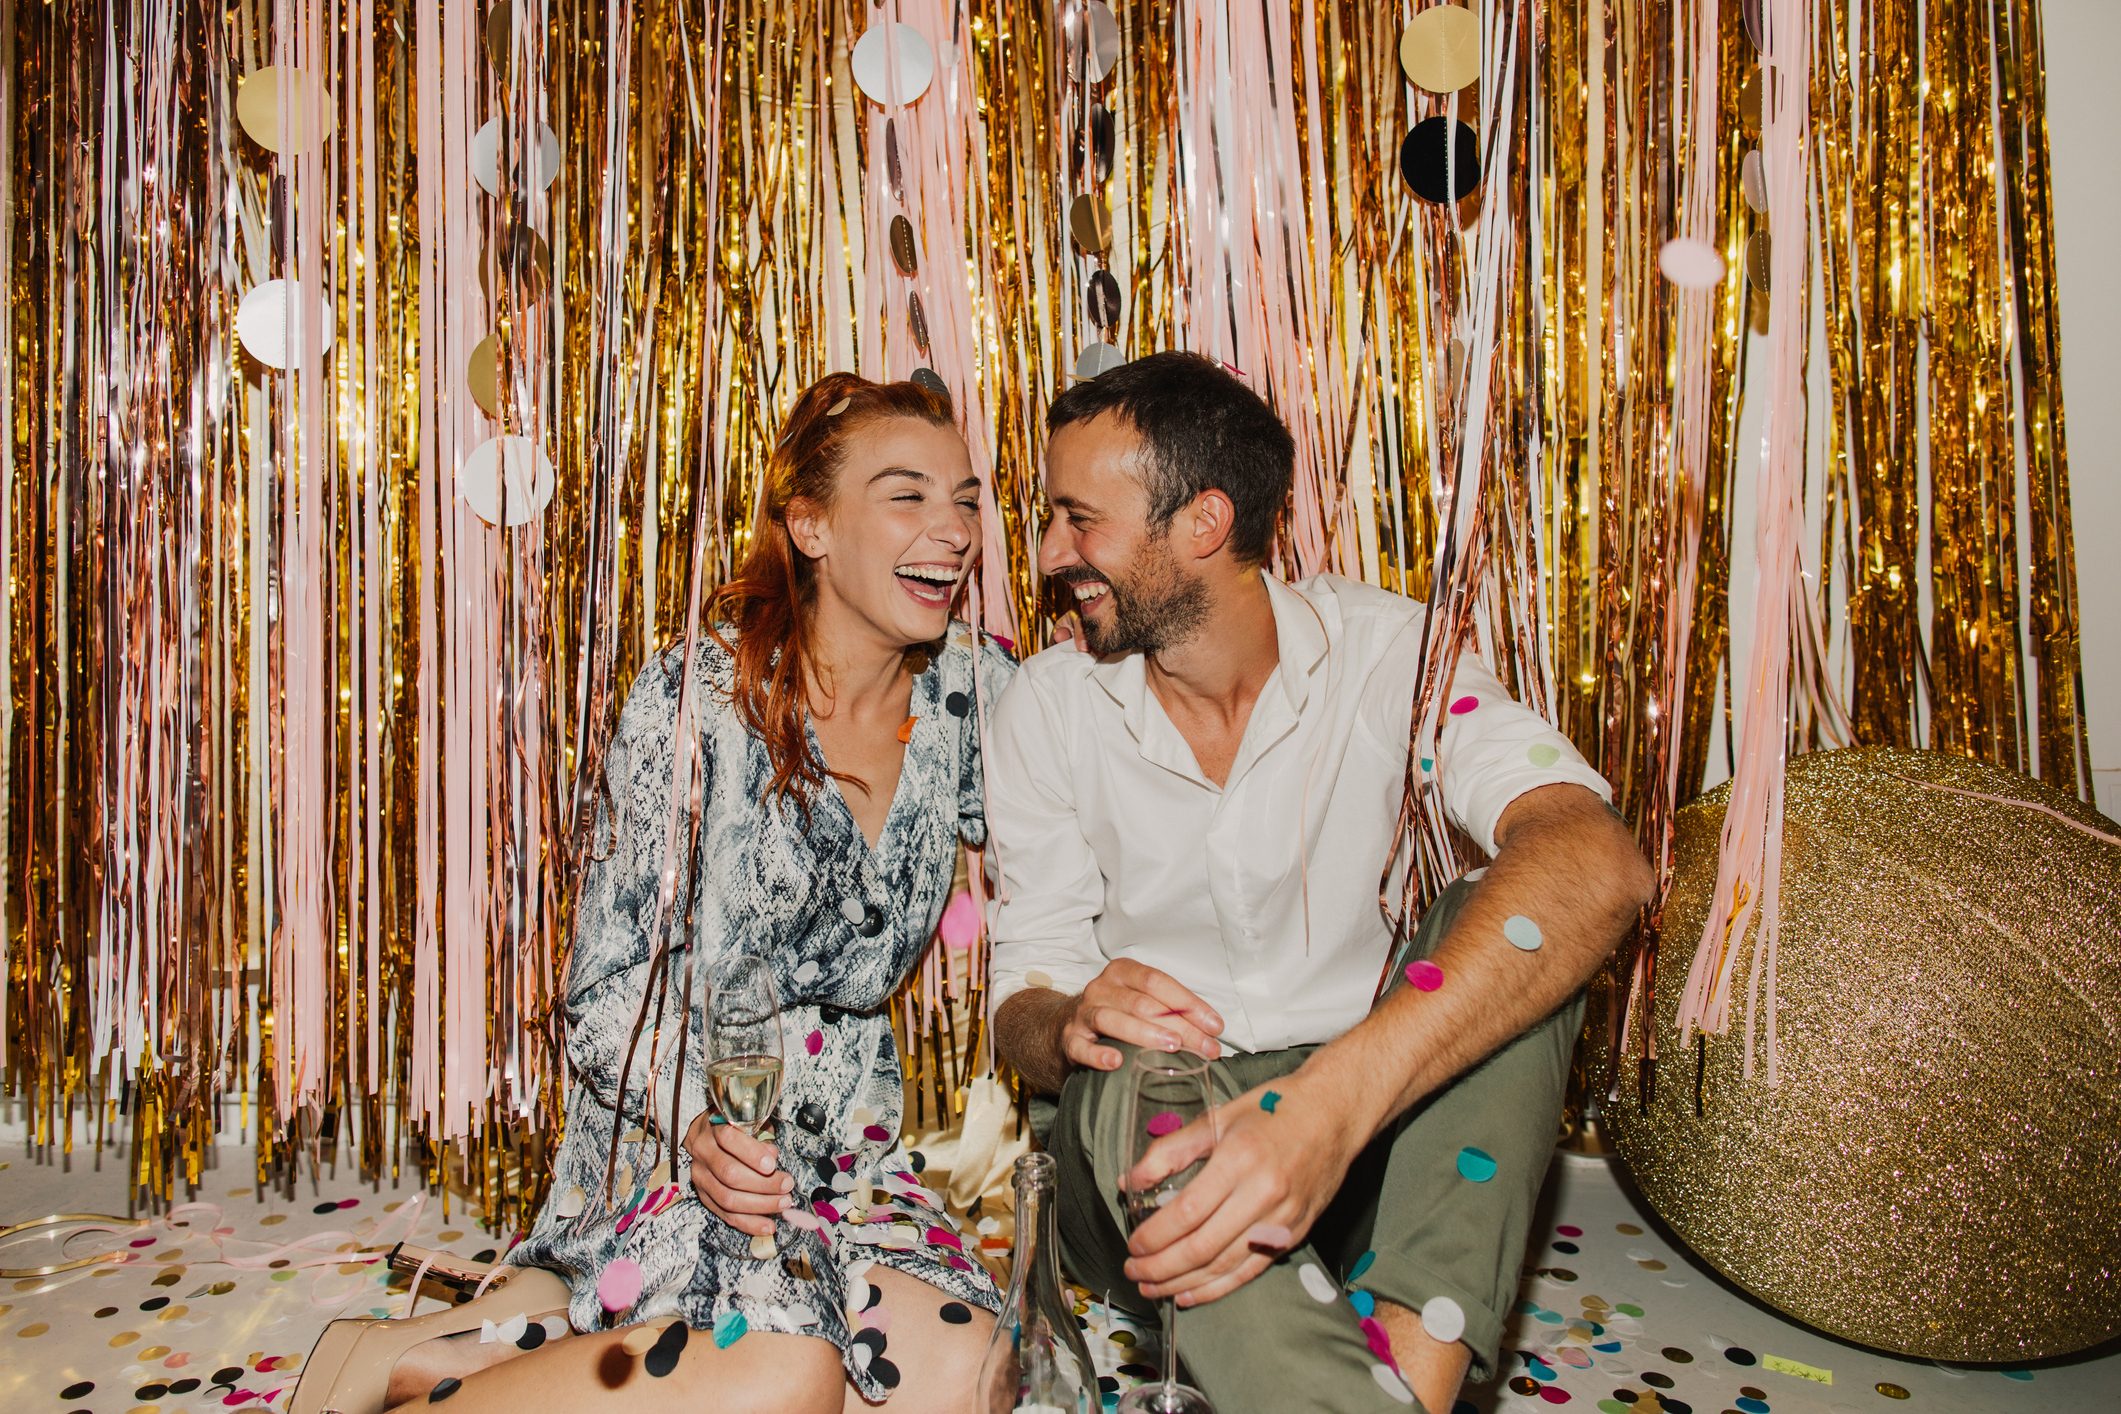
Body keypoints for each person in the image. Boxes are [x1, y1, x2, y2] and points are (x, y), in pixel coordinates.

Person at [293, 373, 1014, 1414]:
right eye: (908, 495)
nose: (952, 531)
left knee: (970, 1373)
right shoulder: (696, 698)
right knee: (786, 1371)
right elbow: (602, 993)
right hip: (674, 1141)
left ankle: (474, 1356)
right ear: (809, 524)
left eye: (967, 500)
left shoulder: (972, 692)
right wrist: (700, 1125)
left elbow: (1095, 792)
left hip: (849, 1156)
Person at [986, 353, 1653, 1413]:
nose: (1050, 553)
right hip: (1138, 1165)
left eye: (1079, 519)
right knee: (1130, 1067)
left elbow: (1598, 860)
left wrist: (1327, 1106)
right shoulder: (1048, 707)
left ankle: (1397, 1370)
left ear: (1203, 523)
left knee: (1513, 914)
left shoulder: (1394, 657)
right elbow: (1022, 994)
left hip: (1369, 1153)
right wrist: (1066, 1019)